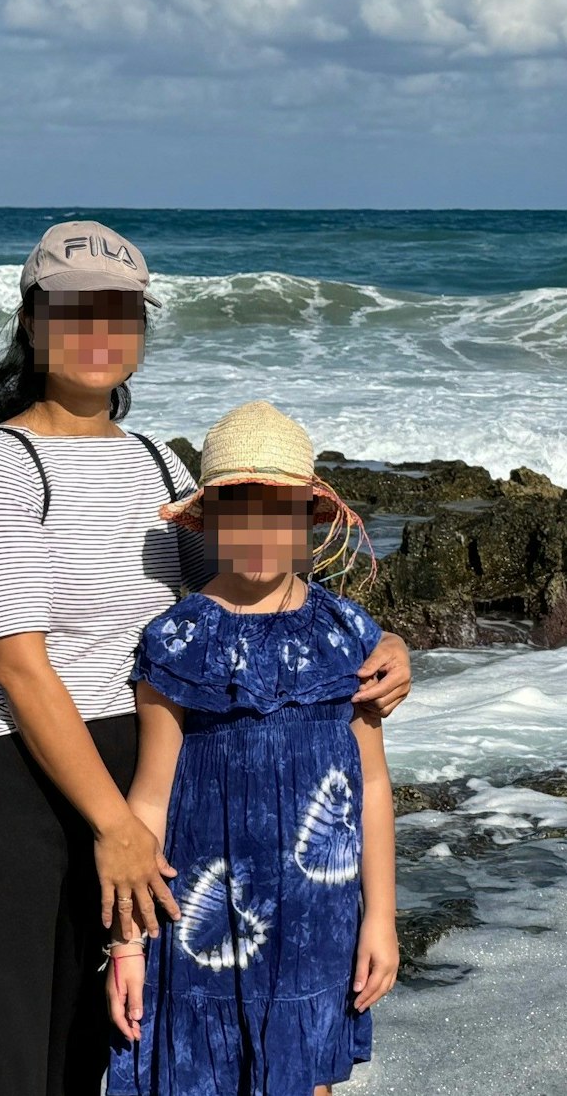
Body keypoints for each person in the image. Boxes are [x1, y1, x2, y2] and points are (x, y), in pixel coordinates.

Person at [0, 223, 413, 1096]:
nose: (100, 332)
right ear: (31, 324)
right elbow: (21, 665)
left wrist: (386, 642)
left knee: (99, 1044)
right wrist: (115, 829)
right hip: (16, 777)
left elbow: (241, 590)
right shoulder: (3, 462)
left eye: (122, 312)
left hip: (142, 761)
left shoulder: (153, 460)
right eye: (74, 311)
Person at [103, 400, 400, 1096]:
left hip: (318, 918)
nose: (259, 532)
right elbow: (146, 803)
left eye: (279, 511)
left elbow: (374, 788)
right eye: (239, 511)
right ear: (207, 523)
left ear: (306, 522)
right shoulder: (175, 639)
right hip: (203, 920)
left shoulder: (349, 633)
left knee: (304, 1081)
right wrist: (126, 944)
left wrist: (380, 920)